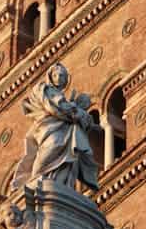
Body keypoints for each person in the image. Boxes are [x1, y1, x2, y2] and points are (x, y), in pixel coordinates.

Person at [11, 63, 99, 192]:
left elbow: (65, 109)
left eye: (62, 76)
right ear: (50, 77)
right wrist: (77, 113)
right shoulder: (46, 90)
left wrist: (79, 114)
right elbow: (56, 108)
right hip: (48, 128)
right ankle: (35, 179)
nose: (59, 78)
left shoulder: (62, 98)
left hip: (63, 130)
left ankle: (60, 183)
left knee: (68, 159)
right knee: (50, 149)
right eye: (56, 75)